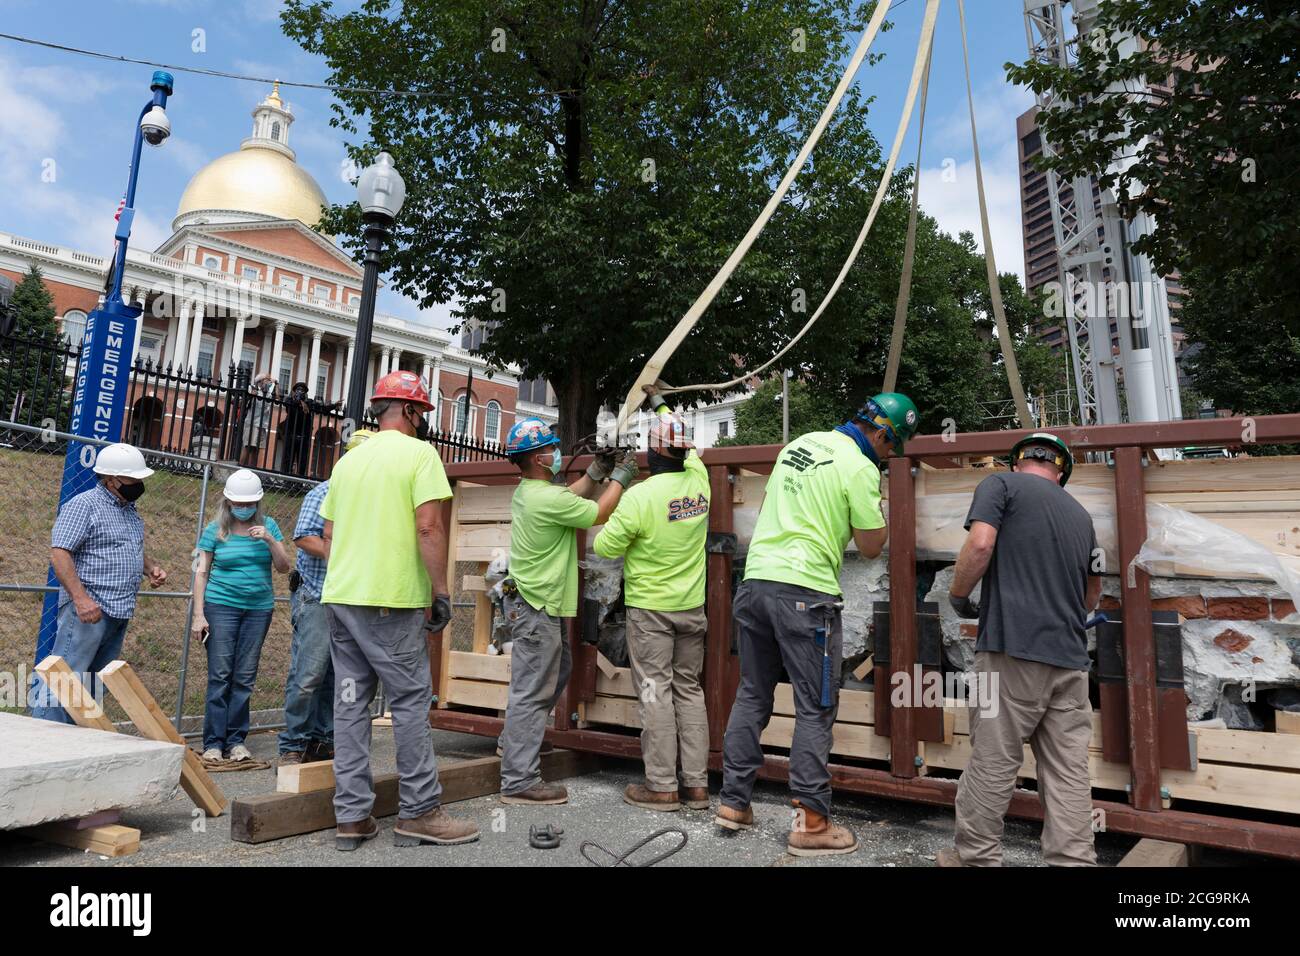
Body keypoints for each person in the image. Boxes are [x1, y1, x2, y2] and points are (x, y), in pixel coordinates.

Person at [717, 392, 919, 856]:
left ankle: (733, 802)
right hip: (806, 594)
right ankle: (811, 822)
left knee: (752, 691)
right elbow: (870, 546)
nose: (891, 457)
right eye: (893, 446)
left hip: (756, 584)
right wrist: (878, 509)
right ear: (883, 432)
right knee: (815, 705)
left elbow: (774, 503)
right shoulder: (861, 468)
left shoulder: (801, 444)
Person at [320, 371, 478, 851]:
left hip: (342, 597)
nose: (422, 422)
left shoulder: (349, 461)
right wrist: (439, 590)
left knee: (349, 705)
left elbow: (327, 536)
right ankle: (420, 812)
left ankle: (351, 818)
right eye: (421, 412)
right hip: (391, 601)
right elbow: (428, 529)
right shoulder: (420, 455)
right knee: (410, 703)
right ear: (410, 411)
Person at [939, 432, 1101, 867]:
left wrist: (958, 595)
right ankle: (1074, 862)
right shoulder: (1081, 516)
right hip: (1069, 661)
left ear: (1017, 461)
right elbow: (1092, 593)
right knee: (1067, 772)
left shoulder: (1000, 485)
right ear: (1061, 470)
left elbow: (981, 543)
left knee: (994, 759)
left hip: (1012, 651)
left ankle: (976, 859)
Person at [497, 417, 635, 806]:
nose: (556, 453)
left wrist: (597, 471)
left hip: (540, 605)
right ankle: (518, 780)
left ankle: (513, 744)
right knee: (531, 690)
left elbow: (572, 497)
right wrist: (621, 477)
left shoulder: (532, 491)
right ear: (541, 459)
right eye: (551, 449)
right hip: (537, 607)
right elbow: (597, 514)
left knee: (557, 671)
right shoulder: (545, 498)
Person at [593, 388, 710, 812]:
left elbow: (605, 546)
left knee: (656, 692)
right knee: (689, 691)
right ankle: (696, 786)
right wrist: (661, 404)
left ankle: (661, 786)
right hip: (692, 609)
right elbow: (689, 448)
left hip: (651, 614)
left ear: (653, 453)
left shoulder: (640, 498)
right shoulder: (700, 481)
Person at [31, 443, 166, 722]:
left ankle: (76, 745)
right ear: (111, 479)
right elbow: (60, 552)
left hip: (118, 610)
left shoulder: (130, 510)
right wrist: (81, 600)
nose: (138, 484)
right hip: (89, 610)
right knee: (66, 679)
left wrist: (150, 567)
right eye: (133, 479)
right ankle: (41, 744)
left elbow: (123, 547)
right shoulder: (84, 505)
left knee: (91, 687)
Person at [278, 429, 375, 767]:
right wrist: (345, 555)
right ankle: (293, 743)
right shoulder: (324, 492)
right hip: (317, 595)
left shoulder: (371, 499)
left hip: (350, 598)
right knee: (308, 674)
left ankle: (323, 739)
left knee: (339, 674)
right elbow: (304, 537)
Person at [192, 469, 291, 763]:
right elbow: (200, 572)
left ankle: (236, 740)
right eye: (239, 503)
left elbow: (285, 567)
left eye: (250, 503)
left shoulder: (269, 525)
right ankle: (213, 742)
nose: (245, 508)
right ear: (228, 502)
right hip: (221, 606)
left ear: (258, 503)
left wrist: (271, 541)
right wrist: (199, 615)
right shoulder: (214, 530)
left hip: (258, 610)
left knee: (244, 677)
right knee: (220, 675)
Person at [240, 373, 279, 468]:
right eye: (267, 379)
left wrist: (276, 384)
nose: (269, 381)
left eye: (269, 380)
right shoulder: (252, 389)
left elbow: (278, 398)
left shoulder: (268, 395)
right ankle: (240, 467)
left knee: (256, 449)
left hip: (262, 425)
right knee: (248, 447)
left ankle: (251, 469)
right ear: (260, 382)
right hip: (251, 423)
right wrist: (251, 395)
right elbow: (241, 403)